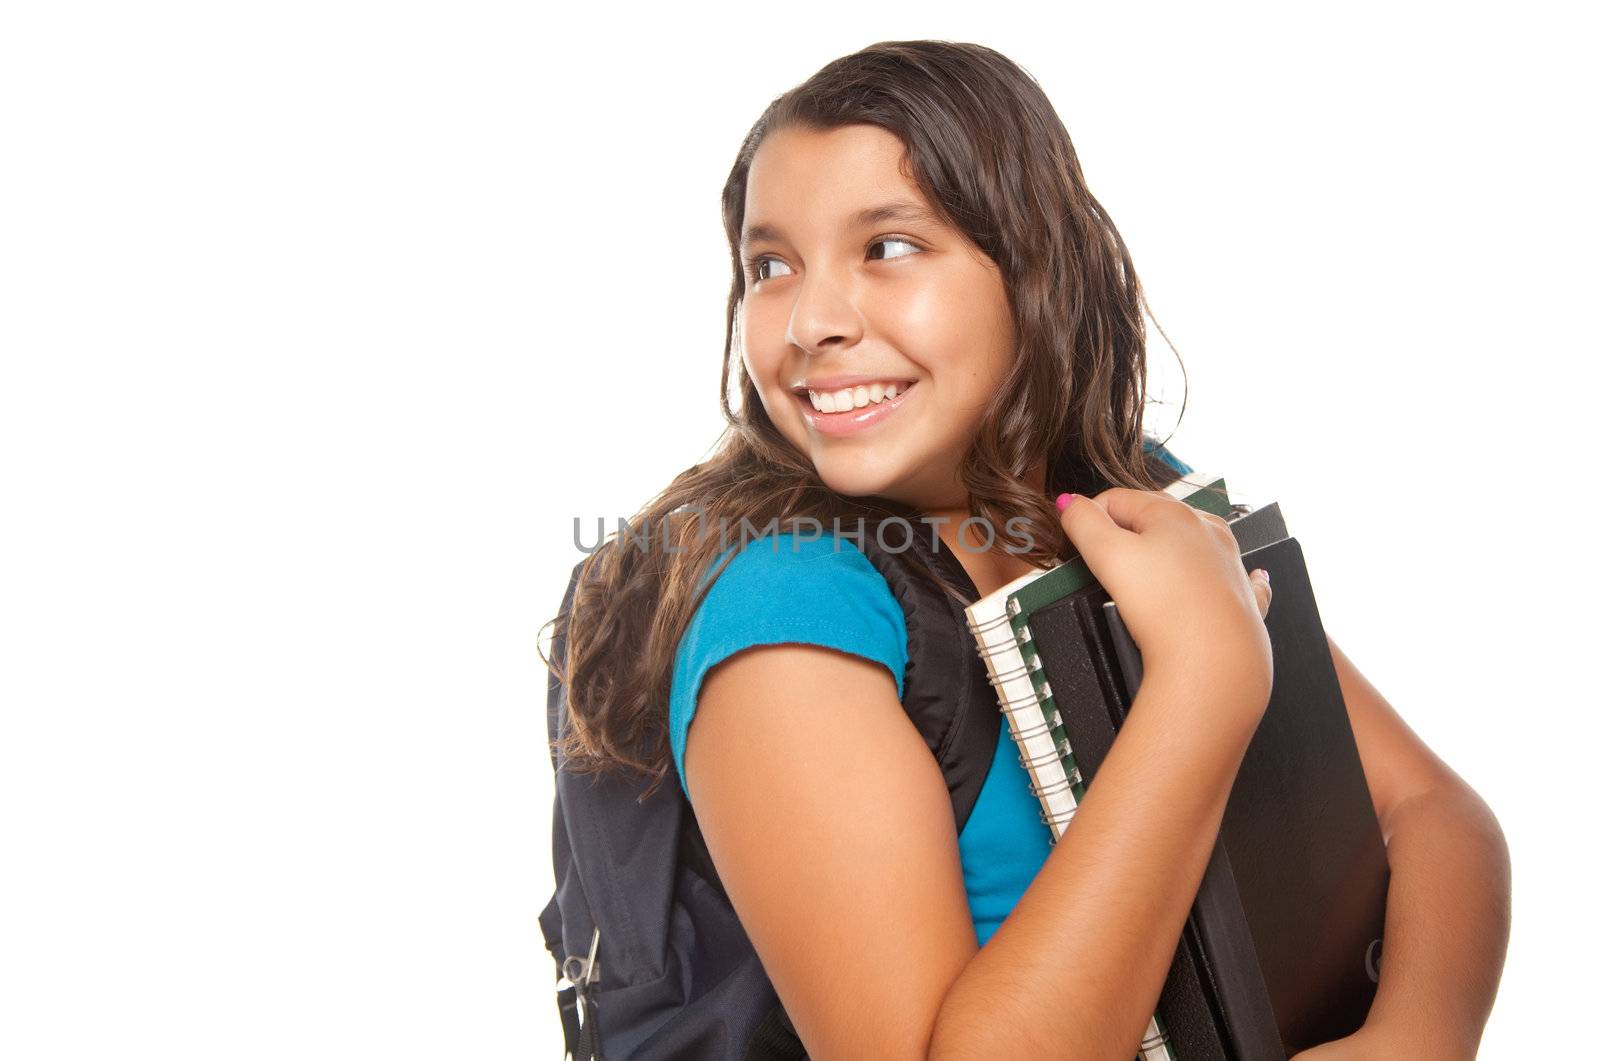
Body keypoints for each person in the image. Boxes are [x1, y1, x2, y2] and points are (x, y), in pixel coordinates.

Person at [547, 40, 1510, 1059]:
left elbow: (1434, 814)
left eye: (888, 246)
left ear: (1030, 264)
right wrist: (1203, 680)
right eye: (770, 265)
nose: (812, 321)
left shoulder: (1113, 484)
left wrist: (1416, 1033)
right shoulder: (785, 612)